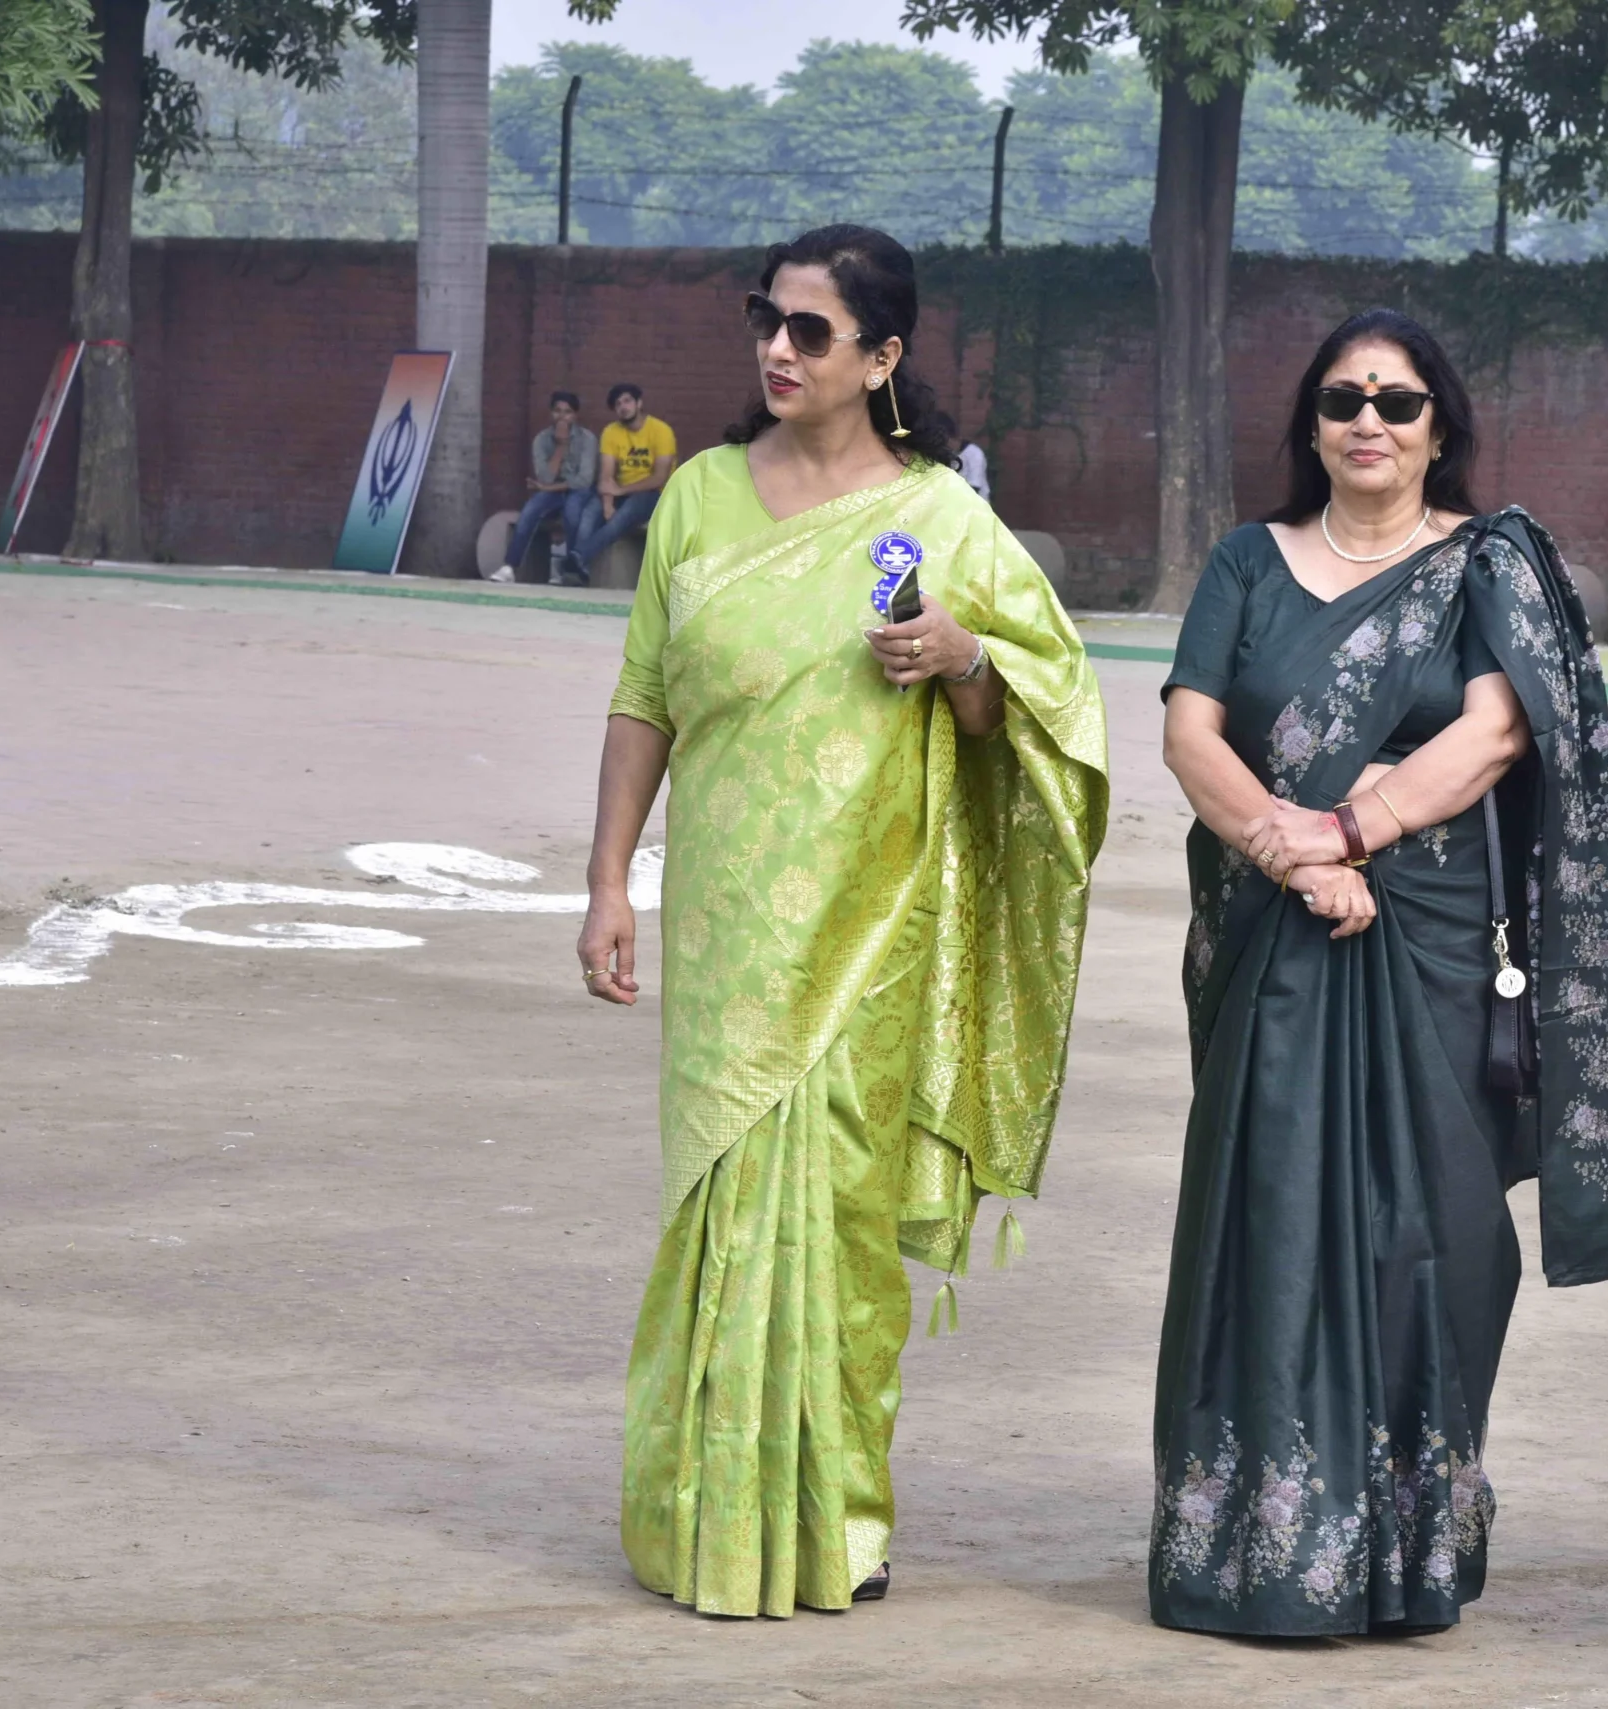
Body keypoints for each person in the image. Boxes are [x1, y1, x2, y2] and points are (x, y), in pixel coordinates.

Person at [577, 223, 1108, 1619]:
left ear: (881, 357)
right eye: (767, 317)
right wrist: (608, 880)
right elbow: (644, 698)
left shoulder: (940, 518)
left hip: (871, 932)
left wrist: (963, 656)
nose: (777, 347)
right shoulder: (698, 495)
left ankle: (837, 1522)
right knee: (719, 1205)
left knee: (841, 1222)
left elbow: (1042, 707)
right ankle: (702, 1517)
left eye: (810, 330)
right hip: (724, 929)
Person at [1150, 308, 1608, 1637]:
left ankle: (1403, 1546)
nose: (1368, 422)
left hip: (1434, 940)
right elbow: (1192, 733)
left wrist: (1349, 829)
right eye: (1342, 400)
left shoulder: (1487, 563)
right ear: (1311, 425)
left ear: (1441, 425)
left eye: (1396, 400)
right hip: (1278, 936)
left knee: (1427, 1240)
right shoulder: (1248, 560)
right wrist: (1290, 852)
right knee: (1271, 1220)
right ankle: (1259, 1548)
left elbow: (1497, 733)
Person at [568, 383, 677, 583]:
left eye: (627, 401)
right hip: (619, 491)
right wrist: (608, 503)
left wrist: (620, 490)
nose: (623, 407)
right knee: (590, 512)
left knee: (623, 516)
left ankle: (579, 557)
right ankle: (580, 570)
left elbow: (660, 478)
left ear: (639, 403)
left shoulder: (661, 431)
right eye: (618, 404)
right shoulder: (611, 432)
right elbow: (606, 475)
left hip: (654, 493)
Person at [488, 390, 595, 583]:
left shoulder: (587, 439)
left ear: (575, 416)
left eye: (567, 412)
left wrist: (548, 488)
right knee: (530, 510)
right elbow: (545, 478)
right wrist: (561, 446)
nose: (562, 417)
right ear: (551, 413)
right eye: (557, 411)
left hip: (578, 492)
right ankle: (509, 566)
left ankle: (571, 571)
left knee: (572, 513)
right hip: (552, 492)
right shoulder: (542, 440)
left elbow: (584, 480)